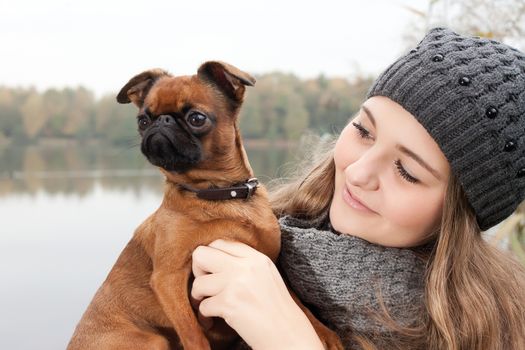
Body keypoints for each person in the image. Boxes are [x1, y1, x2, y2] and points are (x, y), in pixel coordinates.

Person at [190, 27, 525, 349]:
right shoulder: (232, 238)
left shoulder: (491, 334)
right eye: (364, 131)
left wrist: (291, 340)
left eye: (407, 171)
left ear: (461, 212)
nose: (358, 173)